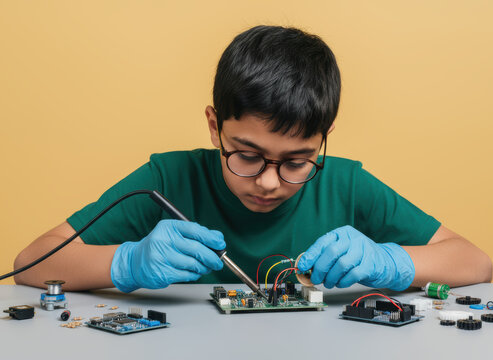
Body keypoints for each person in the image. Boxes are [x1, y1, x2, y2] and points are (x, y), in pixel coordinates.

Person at [13, 25, 491, 292]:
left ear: (322, 141)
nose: (268, 183)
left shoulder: (346, 183)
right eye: (247, 155)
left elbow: (475, 262)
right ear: (214, 125)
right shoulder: (168, 176)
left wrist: (394, 263)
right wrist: (127, 262)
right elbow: (30, 262)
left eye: (297, 162)